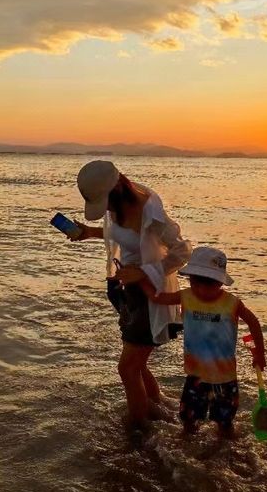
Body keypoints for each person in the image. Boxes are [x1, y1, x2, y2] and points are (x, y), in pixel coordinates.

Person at [69, 160, 191, 427]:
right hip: (127, 292)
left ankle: (137, 431)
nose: (106, 210)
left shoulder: (151, 213)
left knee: (127, 368)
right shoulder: (118, 207)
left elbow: (183, 252)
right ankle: (157, 408)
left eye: (106, 202)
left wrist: (145, 272)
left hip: (148, 295)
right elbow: (121, 235)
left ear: (116, 192)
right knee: (136, 365)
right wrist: (90, 233)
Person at [139, 246, 266, 437]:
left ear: (220, 282)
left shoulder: (232, 303)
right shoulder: (186, 296)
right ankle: (187, 453)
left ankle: (226, 455)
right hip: (195, 377)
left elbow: (253, 322)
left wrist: (260, 353)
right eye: (196, 282)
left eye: (209, 284)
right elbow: (158, 298)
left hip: (225, 380)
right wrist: (141, 279)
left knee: (225, 425)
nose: (201, 289)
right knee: (188, 421)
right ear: (190, 279)